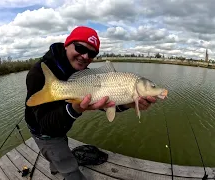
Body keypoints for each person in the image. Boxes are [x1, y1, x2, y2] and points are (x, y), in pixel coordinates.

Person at [24, 26, 157, 180]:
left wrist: (128, 103)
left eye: (92, 53)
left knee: (60, 146)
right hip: (42, 131)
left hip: (62, 124)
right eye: (80, 48)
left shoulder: (81, 72)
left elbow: (104, 102)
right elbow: (46, 126)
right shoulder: (37, 73)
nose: (85, 56)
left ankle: (55, 167)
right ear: (67, 44)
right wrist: (74, 109)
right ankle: (64, 169)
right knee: (67, 163)